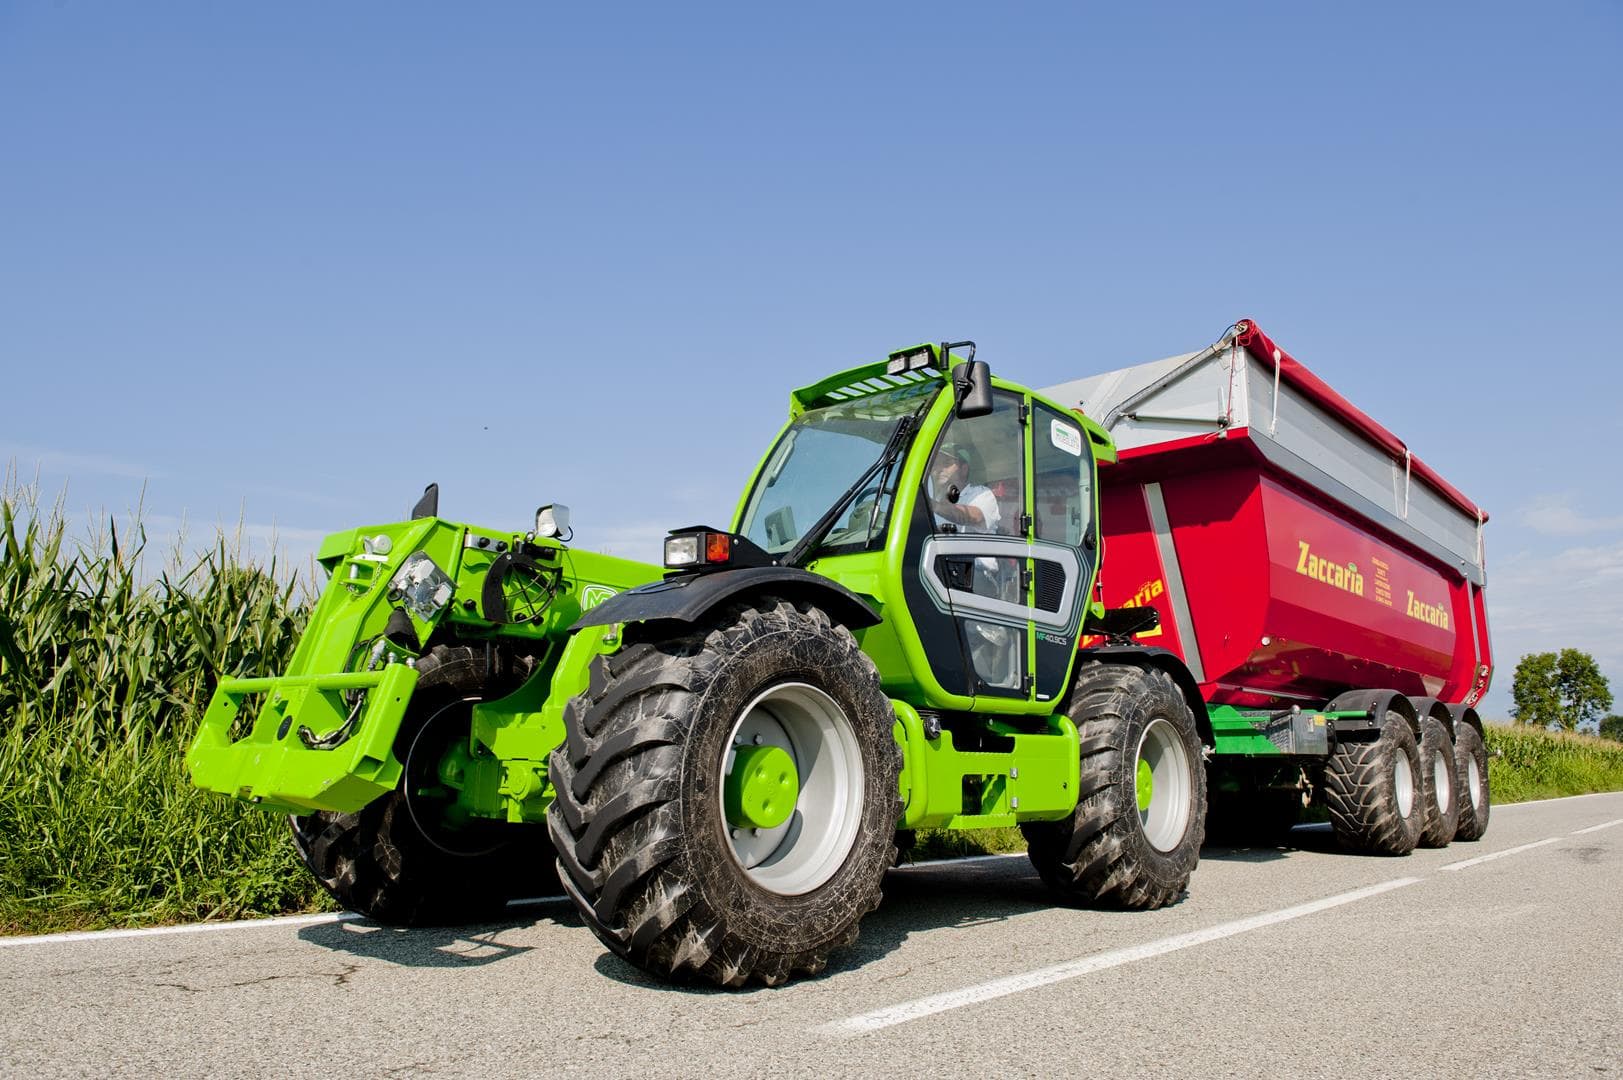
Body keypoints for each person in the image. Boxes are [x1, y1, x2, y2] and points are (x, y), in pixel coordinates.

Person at [927, 442, 1001, 534]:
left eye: (947, 463)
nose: (939, 468)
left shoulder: (981, 494)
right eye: (937, 464)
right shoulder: (936, 498)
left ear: (964, 469)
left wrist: (932, 505)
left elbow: (975, 516)